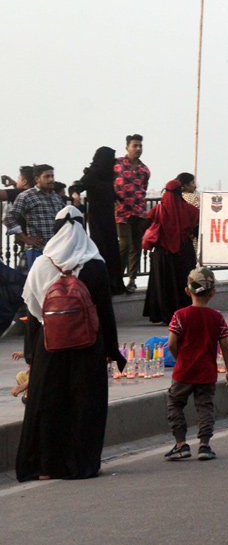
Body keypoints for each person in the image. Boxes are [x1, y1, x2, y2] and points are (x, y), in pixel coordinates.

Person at [16, 206, 124, 481]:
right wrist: (111, 350)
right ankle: (82, 464)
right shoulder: (94, 264)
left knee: (48, 403)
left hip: (49, 345)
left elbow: (32, 310)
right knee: (84, 404)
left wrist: (32, 355)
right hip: (87, 345)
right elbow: (105, 313)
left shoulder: (41, 264)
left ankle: (43, 466)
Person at [164, 267, 228, 461]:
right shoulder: (217, 317)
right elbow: (225, 346)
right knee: (205, 407)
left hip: (184, 371)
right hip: (207, 371)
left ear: (187, 291)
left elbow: (171, 343)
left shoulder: (180, 315)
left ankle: (181, 444)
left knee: (175, 403)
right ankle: (204, 445)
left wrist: (180, 359)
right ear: (213, 292)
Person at [67, 148, 124, 294]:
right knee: (101, 248)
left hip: (109, 218)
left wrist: (117, 198)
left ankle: (114, 284)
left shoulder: (106, 175)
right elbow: (76, 186)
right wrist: (75, 195)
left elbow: (107, 190)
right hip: (97, 218)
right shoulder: (92, 174)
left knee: (112, 249)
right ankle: (102, 285)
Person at [142, 180, 199, 324]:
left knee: (164, 285)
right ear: (180, 193)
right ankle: (186, 315)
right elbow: (198, 228)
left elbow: (144, 226)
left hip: (163, 253)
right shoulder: (190, 210)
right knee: (184, 284)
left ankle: (165, 316)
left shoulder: (158, 210)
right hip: (184, 252)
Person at [3, 165, 64, 271]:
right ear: (37, 179)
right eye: (47, 177)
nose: (51, 180)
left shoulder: (55, 197)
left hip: (56, 250)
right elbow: (9, 218)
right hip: (38, 250)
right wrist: (25, 238)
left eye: (52, 176)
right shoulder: (27, 196)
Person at [114, 134, 151, 292]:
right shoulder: (117, 164)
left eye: (140, 146)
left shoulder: (144, 170)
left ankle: (132, 279)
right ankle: (117, 277)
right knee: (125, 244)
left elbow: (144, 189)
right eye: (135, 146)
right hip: (121, 212)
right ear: (127, 147)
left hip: (139, 212)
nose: (138, 149)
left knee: (137, 246)